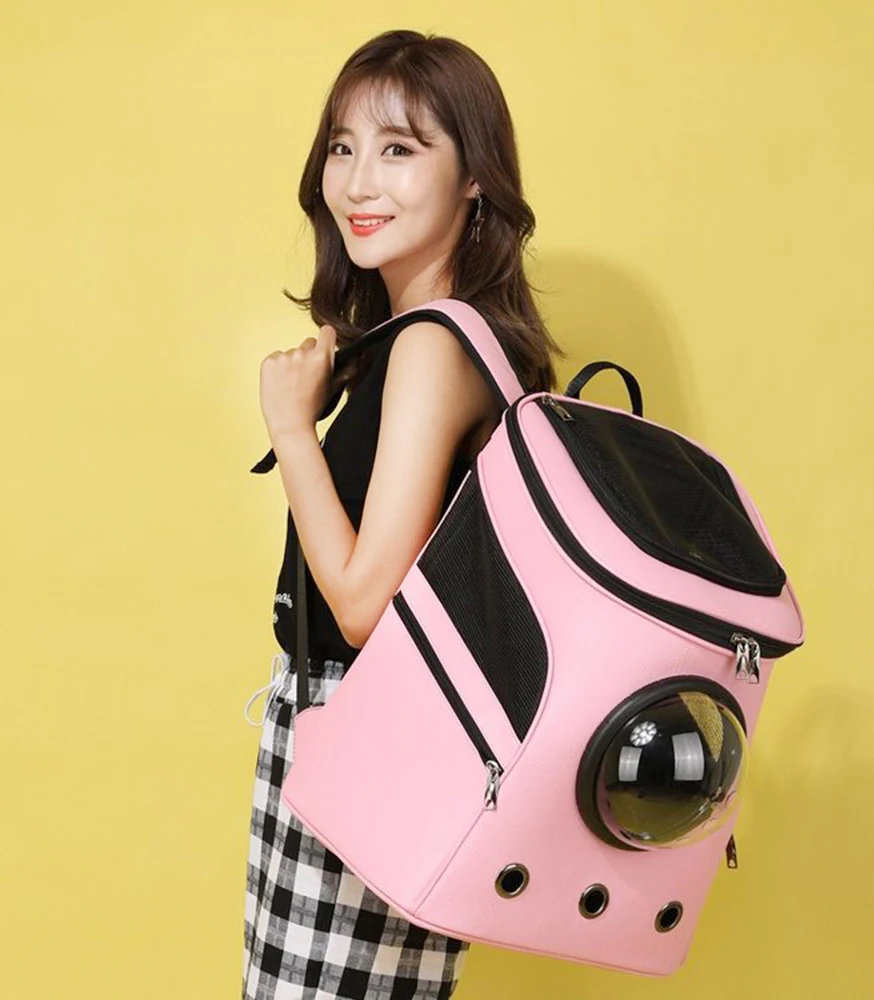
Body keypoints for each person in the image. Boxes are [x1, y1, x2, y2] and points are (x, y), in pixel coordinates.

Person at [240, 28, 566, 1000]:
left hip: (367, 741)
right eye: (342, 147)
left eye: (399, 148)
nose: (357, 182)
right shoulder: (434, 339)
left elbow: (364, 607)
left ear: (475, 178)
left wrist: (291, 429)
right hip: (380, 746)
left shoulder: (434, 346)